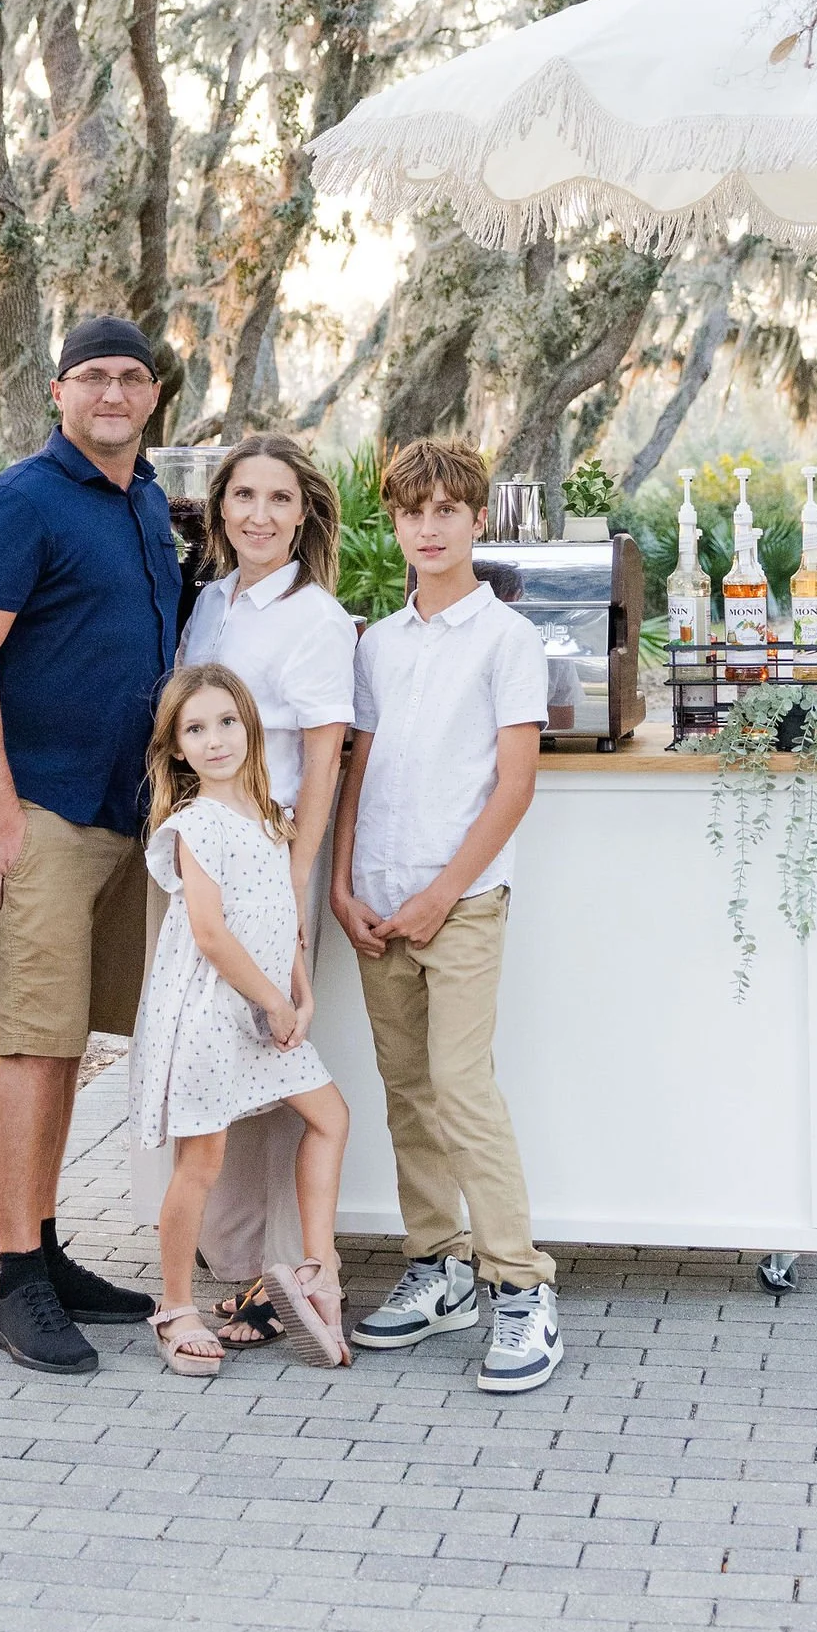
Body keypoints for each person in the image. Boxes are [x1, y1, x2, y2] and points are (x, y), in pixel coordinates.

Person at [0, 314, 182, 1375]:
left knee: (71, 1035)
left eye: (131, 377)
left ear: (154, 395)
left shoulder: (145, 503)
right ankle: (12, 1275)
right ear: (56, 391)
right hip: (38, 810)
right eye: (93, 377)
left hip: (123, 814)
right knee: (32, 1041)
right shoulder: (20, 500)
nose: (113, 393)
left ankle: (44, 1247)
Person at [329, 435, 561, 1395]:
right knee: (407, 1089)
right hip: (377, 902)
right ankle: (441, 1264)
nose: (429, 527)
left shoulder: (507, 640)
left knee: (462, 1086)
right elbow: (358, 772)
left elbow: (513, 787)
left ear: (476, 520)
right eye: (411, 511)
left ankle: (520, 1283)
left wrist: (437, 895)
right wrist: (344, 885)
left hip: (459, 902)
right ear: (396, 523)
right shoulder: (376, 644)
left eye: (447, 511)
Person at [174, 434, 355, 1346]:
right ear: (219, 510)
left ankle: (280, 1269)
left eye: (278, 498)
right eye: (242, 495)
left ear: (304, 513)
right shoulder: (207, 604)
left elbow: (323, 758)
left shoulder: (317, 618)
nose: (257, 513)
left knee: (276, 1051)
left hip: (275, 855)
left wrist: (294, 877)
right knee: (217, 1052)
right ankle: (237, 1259)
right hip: (209, 851)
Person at [132, 665, 351, 1376]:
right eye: (195, 728)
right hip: (208, 1014)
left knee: (330, 1117)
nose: (215, 737)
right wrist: (275, 1002)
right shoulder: (194, 825)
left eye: (226, 720)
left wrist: (300, 993)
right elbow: (211, 932)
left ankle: (317, 1273)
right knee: (203, 1160)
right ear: (176, 749)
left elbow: (281, 920)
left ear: (249, 727)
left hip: (265, 1007)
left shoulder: (271, 814)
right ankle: (173, 1306)